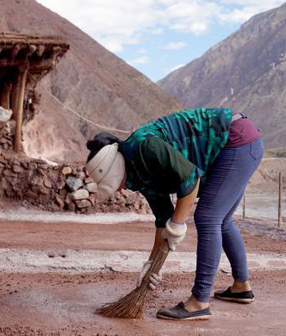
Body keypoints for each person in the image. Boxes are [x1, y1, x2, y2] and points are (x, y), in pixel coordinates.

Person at [85, 108, 263, 321]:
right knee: (221, 221)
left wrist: (178, 223)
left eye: (116, 183)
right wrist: (152, 265)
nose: (120, 189)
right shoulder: (136, 174)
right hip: (239, 144)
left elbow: (190, 180)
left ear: (116, 169)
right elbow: (162, 220)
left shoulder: (144, 147)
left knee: (207, 218)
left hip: (235, 141)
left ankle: (199, 302)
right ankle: (241, 287)